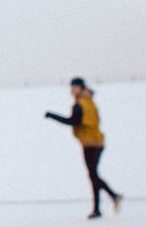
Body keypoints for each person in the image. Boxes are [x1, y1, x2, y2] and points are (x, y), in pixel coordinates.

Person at [45, 77, 122, 219]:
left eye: (74, 87)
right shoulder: (89, 101)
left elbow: (73, 121)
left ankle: (111, 197)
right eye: (71, 87)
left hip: (90, 143)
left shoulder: (80, 104)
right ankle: (100, 206)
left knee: (93, 175)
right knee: (93, 174)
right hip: (97, 141)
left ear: (80, 88)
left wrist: (52, 115)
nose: (72, 90)